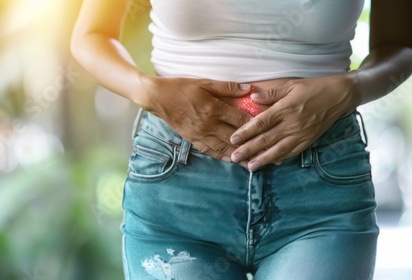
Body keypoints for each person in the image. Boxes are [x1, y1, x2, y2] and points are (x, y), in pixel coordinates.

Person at [71, 0, 412, 279]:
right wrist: (148, 90)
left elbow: (400, 45)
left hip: (319, 185)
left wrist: (351, 88)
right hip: (179, 187)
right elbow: (91, 35)